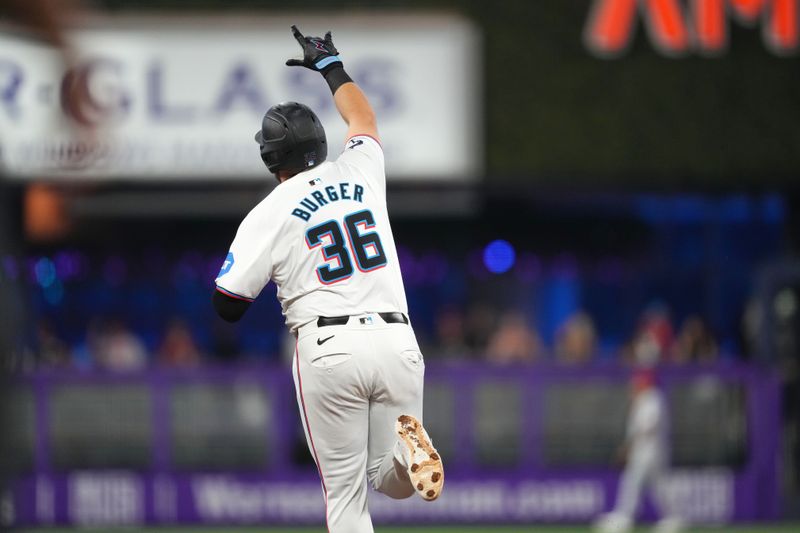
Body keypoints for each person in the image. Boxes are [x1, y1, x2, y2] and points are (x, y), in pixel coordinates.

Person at [211, 26, 443, 533]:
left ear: (271, 159)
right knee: (389, 478)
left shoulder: (268, 211)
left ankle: (407, 455)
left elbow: (227, 302)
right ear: (319, 141)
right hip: (397, 338)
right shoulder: (361, 169)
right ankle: (410, 454)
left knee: (346, 497)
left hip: (329, 345)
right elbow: (363, 116)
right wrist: (329, 63)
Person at [593, 370, 684, 533]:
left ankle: (625, 518)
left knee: (633, 482)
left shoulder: (653, 398)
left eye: (637, 383)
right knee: (656, 486)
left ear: (645, 383)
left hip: (649, 451)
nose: (633, 386)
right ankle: (672, 518)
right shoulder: (644, 399)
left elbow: (648, 427)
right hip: (647, 450)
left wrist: (628, 447)